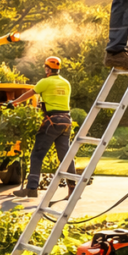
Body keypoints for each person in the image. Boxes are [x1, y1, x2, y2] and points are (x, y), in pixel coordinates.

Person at [6, 56, 77, 199]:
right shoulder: (66, 83)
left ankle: (32, 188)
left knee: (37, 155)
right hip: (66, 122)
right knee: (65, 157)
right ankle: (72, 189)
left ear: (47, 69)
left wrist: (14, 103)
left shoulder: (45, 82)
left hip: (52, 122)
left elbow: (30, 93)